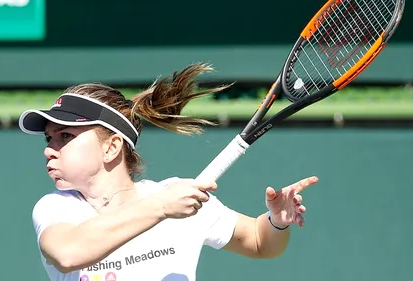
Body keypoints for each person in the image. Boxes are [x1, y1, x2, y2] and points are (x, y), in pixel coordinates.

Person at [18, 63, 319, 281]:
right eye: (49, 138)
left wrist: (277, 222)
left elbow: (258, 241)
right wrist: (162, 207)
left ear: (111, 148)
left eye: (65, 137)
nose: (49, 149)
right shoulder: (55, 208)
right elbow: (68, 254)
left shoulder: (177, 198)